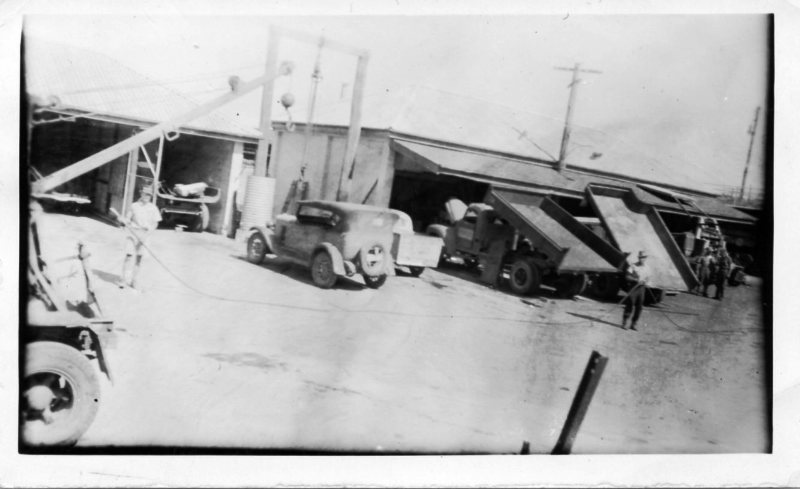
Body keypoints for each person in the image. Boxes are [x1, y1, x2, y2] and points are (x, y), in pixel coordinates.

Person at [118, 186, 162, 289]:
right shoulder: (134, 205)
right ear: (141, 194)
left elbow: (155, 223)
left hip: (145, 233)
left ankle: (134, 280)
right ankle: (123, 280)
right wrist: (123, 220)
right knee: (129, 256)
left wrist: (146, 235)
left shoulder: (153, 208)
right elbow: (128, 219)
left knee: (139, 258)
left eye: (149, 195)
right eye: (145, 194)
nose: (147, 196)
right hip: (133, 232)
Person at [622, 250, 651, 332]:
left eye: (644, 257)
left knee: (639, 306)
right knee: (630, 304)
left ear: (646, 258)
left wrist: (646, 281)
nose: (642, 259)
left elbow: (648, 278)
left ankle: (634, 324)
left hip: (642, 289)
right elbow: (627, 276)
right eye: (641, 257)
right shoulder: (633, 266)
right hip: (633, 288)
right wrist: (635, 279)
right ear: (638, 258)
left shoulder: (647, 268)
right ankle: (625, 322)